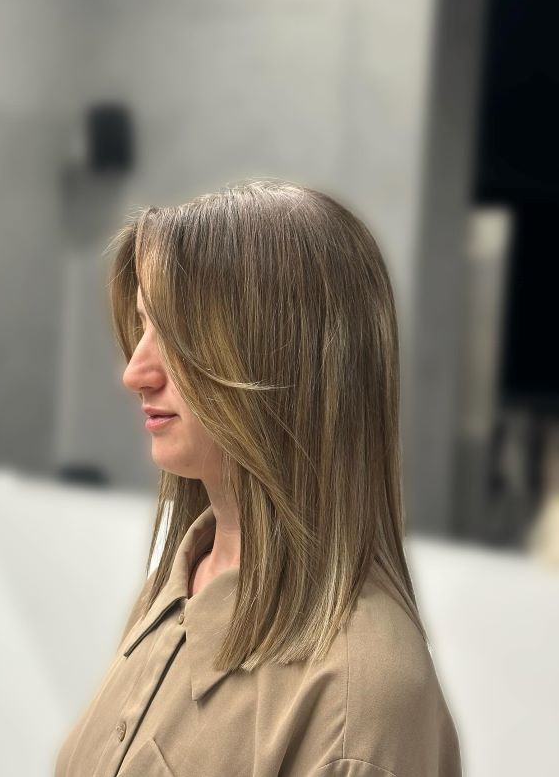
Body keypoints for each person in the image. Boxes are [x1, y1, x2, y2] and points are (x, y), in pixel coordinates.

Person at [54, 180, 463, 776]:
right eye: (144, 326)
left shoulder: (359, 704)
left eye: (177, 333)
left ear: (280, 357)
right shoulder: (175, 588)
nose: (135, 372)